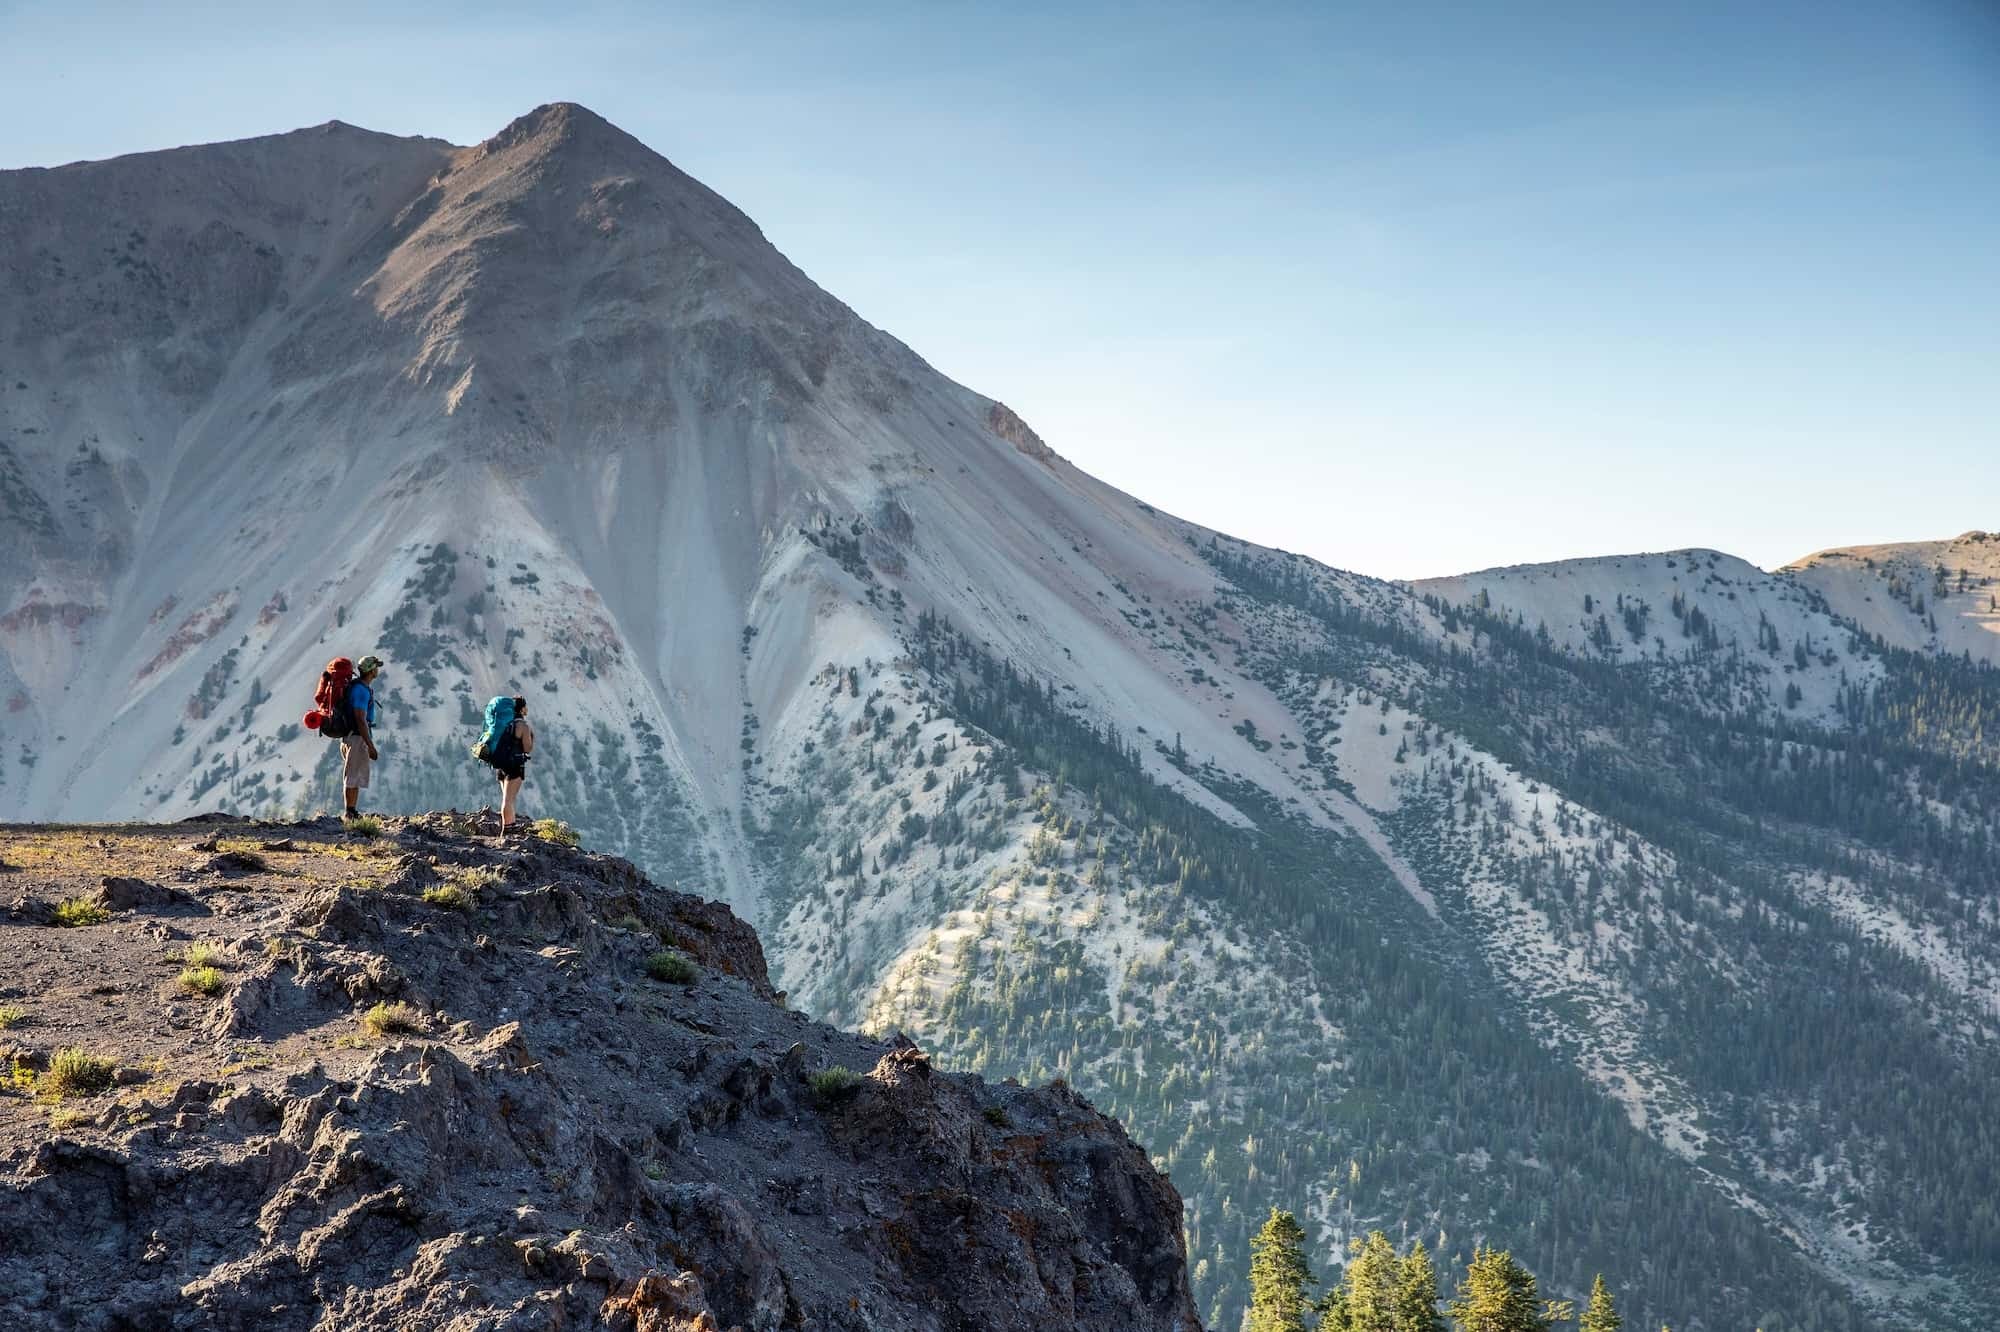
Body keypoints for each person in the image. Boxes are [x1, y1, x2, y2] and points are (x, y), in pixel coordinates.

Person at [342, 655, 384, 820]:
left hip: (352, 736)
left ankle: (352, 810)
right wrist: (370, 745)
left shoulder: (358, 687)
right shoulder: (361, 690)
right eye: (376, 667)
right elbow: (360, 718)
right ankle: (349, 813)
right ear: (371, 670)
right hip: (357, 738)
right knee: (352, 775)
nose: (377, 669)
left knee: (355, 773)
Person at [494, 695, 534, 838]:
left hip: (501, 766)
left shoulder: (504, 724)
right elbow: (527, 748)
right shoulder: (522, 725)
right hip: (515, 765)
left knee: (506, 797)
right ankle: (509, 828)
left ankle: (509, 825)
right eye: (525, 706)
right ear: (522, 709)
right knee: (509, 799)